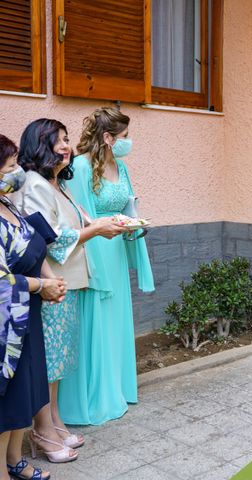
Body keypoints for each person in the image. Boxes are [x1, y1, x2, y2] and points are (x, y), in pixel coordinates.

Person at [13, 119, 128, 448]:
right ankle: (43, 430)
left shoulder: (56, 184)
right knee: (49, 360)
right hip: (52, 284)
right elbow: (48, 239)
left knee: (59, 359)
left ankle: (56, 423)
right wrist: (95, 231)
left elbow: (73, 225)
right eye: (57, 140)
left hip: (69, 281)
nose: (66, 146)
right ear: (39, 144)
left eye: (66, 140)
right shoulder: (34, 184)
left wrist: (104, 222)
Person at [57, 107, 154, 425]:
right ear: (109, 138)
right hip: (94, 253)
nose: (129, 141)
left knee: (115, 323)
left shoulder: (121, 167)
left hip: (116, 254)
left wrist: (135, 222)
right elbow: (81, 216)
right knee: (97, 323)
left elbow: (128, 203)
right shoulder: (82, 167)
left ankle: (118, 388)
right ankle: (96, 397)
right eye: (125, 136)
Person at [0, 134, 69, 480]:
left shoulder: (10, 205)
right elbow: (1, 279)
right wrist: (43, 285)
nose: (18, 174)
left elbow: (39, 242)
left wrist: (49, 279)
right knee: (8, 397)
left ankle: (15, 459)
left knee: (26, 391)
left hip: (28, 315)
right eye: (11, 168)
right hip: (6, 322)